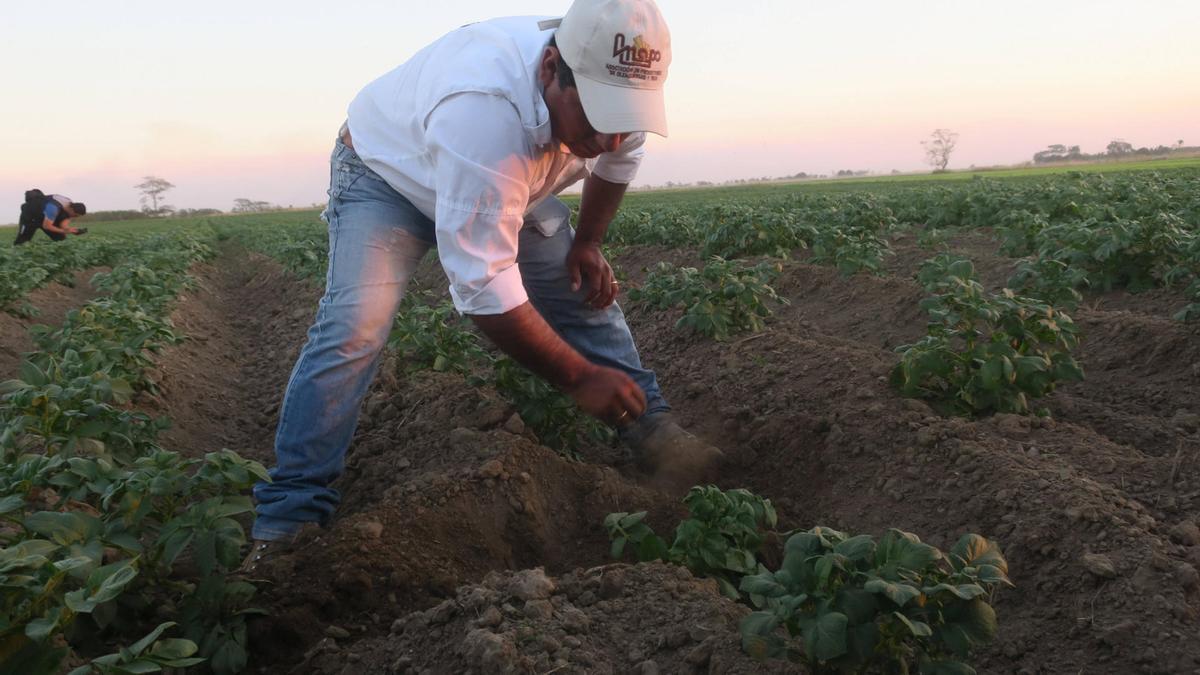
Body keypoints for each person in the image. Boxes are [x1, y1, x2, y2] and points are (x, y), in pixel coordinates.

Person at [243, 0, 723, 571]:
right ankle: (290, 514)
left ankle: (655, 431)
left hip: (510, 177)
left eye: (625, 118)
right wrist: (578, 378)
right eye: (596, 117)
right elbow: (484, 288)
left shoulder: (616, 91)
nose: (611, 138)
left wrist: (588, 243)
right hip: (386, 178)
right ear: (551, 70)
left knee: (580, 293)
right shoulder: (483, 111)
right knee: (356, 325)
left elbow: (616, 166)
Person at [13, 191, 87, 245]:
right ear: (72, 209)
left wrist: (70, 229)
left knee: (60, 239)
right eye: (75, 215)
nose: (75, 217)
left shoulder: (70, 206)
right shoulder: (53, 208)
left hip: (46, 217)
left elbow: (64, 223)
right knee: (22, 242)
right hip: (31, 216)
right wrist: (64, 231)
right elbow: (47, 226)